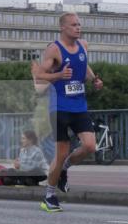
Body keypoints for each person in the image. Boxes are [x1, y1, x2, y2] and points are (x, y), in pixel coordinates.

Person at [32, 12, 103, 213]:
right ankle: (49, 196)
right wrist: (59, 74)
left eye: (79, 24)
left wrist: (94, 80)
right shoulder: (54, 49)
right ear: (63, 27)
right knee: (61, 152)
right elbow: (39, 76)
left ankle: (64, 169)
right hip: (59, 107)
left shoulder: (84, 45)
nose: (78, 28)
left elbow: (84, 65)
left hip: (79, 105)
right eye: (73, 25)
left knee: (90, 146)